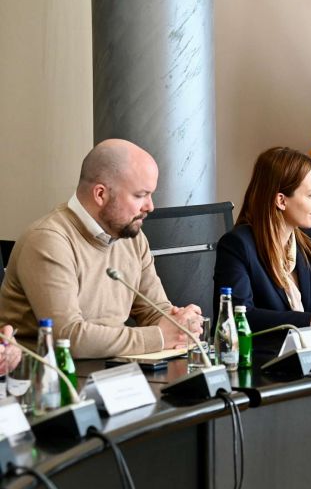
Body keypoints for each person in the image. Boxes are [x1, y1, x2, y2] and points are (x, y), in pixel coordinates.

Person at [0, 139, 201, 358]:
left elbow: (153, 312)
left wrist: (181, 324)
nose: (150, 206)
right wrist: (159, 337)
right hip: (51, 374)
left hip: (111, 369)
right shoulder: (48, 240)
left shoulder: (131, 237)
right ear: (100, 194)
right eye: (140, 195)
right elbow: (67, 338)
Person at [213, 147, 311, 350]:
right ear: (281, 200)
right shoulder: (237, 246)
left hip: (309, 356)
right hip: (259, 360)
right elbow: (239, 317)